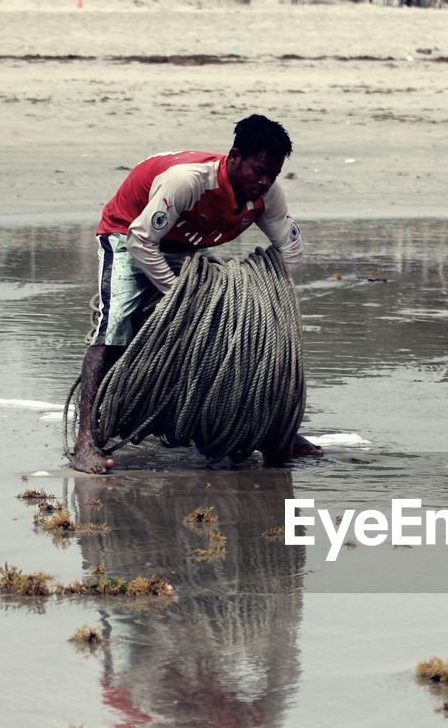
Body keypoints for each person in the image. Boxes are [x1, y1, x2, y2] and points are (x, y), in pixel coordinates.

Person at [70, 114, 322, 474]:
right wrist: (181, 299)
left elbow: (290, 250)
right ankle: (85, 441)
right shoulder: (187, 182)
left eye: (273, 174)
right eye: (258, 171)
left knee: (236, 333)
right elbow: (142, 241)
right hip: (129, 234)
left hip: (186, 245)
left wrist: (271, 303)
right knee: (115, 327)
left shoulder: (266, 195)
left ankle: (275, 431)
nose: (264, 181)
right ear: (234, 157)